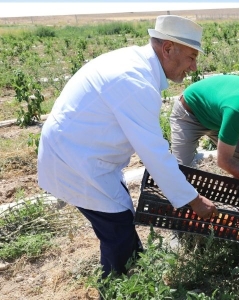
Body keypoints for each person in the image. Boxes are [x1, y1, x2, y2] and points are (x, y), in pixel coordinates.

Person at [37, 15, 218, 279]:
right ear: (168, 49)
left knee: (120, 221)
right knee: (118, 231)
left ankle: (130, 273)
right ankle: (115, 286)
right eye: (191, 56)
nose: (193, 66)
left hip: (85, 156)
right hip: (76, 161)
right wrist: (194, 200)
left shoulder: (133, 64)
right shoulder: (134, 80)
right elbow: (153, 152)